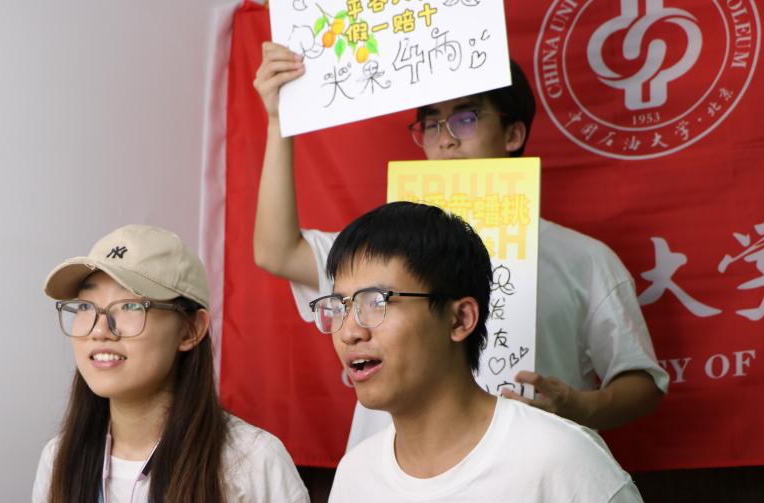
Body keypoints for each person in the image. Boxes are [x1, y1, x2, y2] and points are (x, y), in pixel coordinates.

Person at [252, 43, 669, 447]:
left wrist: (579, 406)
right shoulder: (379, 252)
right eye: (432, 124)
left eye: (465, 119)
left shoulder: (584, 258)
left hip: (527, 467)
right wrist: (277, 121)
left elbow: (642, 381)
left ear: (512, 133)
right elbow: (277, 251)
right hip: (394, 475)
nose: (446, 139)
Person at [317, 201, 678, 503]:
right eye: (338, 306)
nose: (348, 332)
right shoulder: (355, 475)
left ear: (460, 319)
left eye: (376, 302)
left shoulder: (561, 460)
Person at [33, 224, 314, 503]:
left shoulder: (255, 462)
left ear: (190, 330)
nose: (99, 330)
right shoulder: (58, 459)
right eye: (85, 306)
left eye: (130, 306)